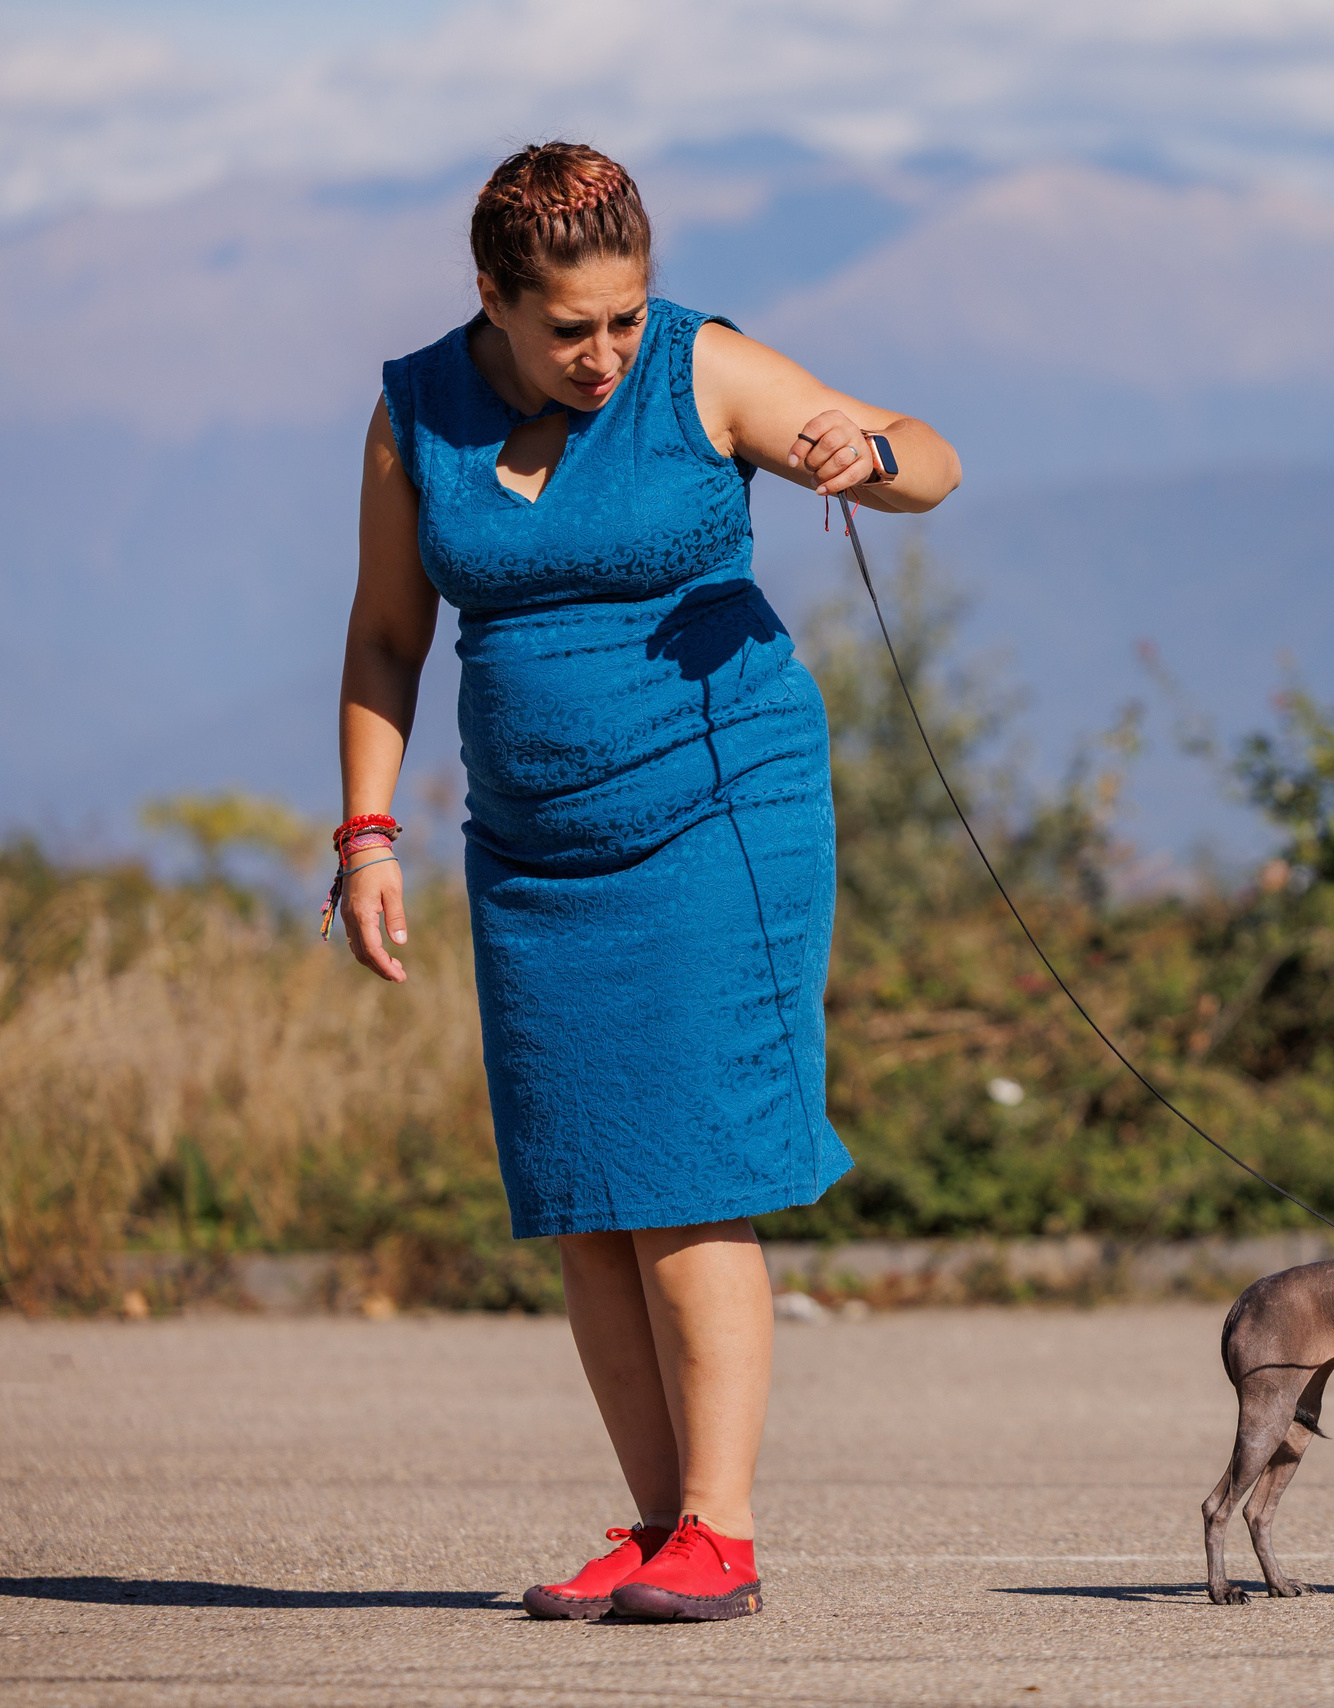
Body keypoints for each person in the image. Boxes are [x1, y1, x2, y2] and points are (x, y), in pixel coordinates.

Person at [332, 140, 958, 1623]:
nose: (606, 352)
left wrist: (867, 460)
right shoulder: (413, 411)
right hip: (534, 851)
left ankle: (719, 1535)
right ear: (492, 297)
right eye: (570, 328)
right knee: (587, 1192)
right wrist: (367, 834)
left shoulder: (700, 368)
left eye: (626, 315)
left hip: (720, 814)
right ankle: (661, 1519)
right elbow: (385, 636)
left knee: (683, 1176)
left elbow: (928, 457)